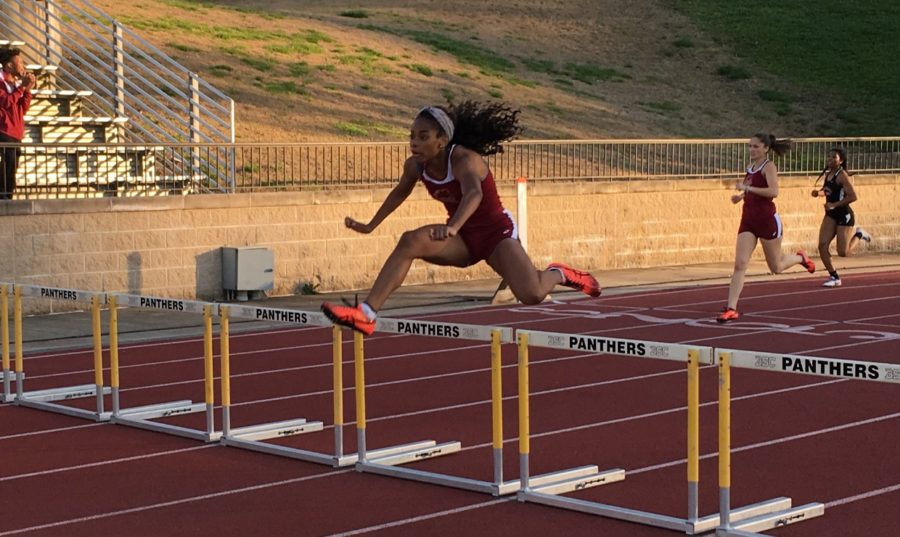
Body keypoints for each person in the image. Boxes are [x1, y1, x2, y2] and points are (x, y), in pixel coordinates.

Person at [321, 100, 601, 335]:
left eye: (423, 136)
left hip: (495, 235)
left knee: (533, 295)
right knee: (409, 242)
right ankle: (366, 315)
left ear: (442, 141)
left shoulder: (465, 160)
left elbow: (474, 195)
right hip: (462, 239)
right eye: (412, 136)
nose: (414, 143)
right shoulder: (416, 167)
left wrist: (453, 226)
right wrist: (370, 225)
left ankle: (560, 273)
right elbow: (398, 194)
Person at [717, 133, 815, 323]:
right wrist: (741, 197)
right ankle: (731, 308)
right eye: (750, 146)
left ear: (766, 148)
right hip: (748, 221)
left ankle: (800, 258)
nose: (751, 150)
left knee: (776, 267)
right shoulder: (751, 167)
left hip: (767, 220)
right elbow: (750, 188)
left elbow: (773, 191)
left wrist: (748, 190)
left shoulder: (768, 166)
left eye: (755, 146)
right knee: (740, 264)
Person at [812, 147, 871, 287]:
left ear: (841, 161)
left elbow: (853, 196)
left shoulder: (842, 175)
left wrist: (834, 205)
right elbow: (828, 191)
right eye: (829, 157)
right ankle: (834, 277)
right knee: (822, 245)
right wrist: (818, 193)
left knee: (843, 252)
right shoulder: (829, 174)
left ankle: (859, 234)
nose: (830, 159)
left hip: (844, 215)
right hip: (831, 215)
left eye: (834, 157)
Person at [0, 46, 35, 200]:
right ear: (9, 65)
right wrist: (21, 88)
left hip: (16, 131)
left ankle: (8, 195)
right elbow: (6, 101)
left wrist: (27, 89)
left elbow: (22, 108)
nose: (23, 66)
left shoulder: (14, 84)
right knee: (7, 164)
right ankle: (3, 196)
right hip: (3, 130)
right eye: (19, 62)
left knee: (12, 166)